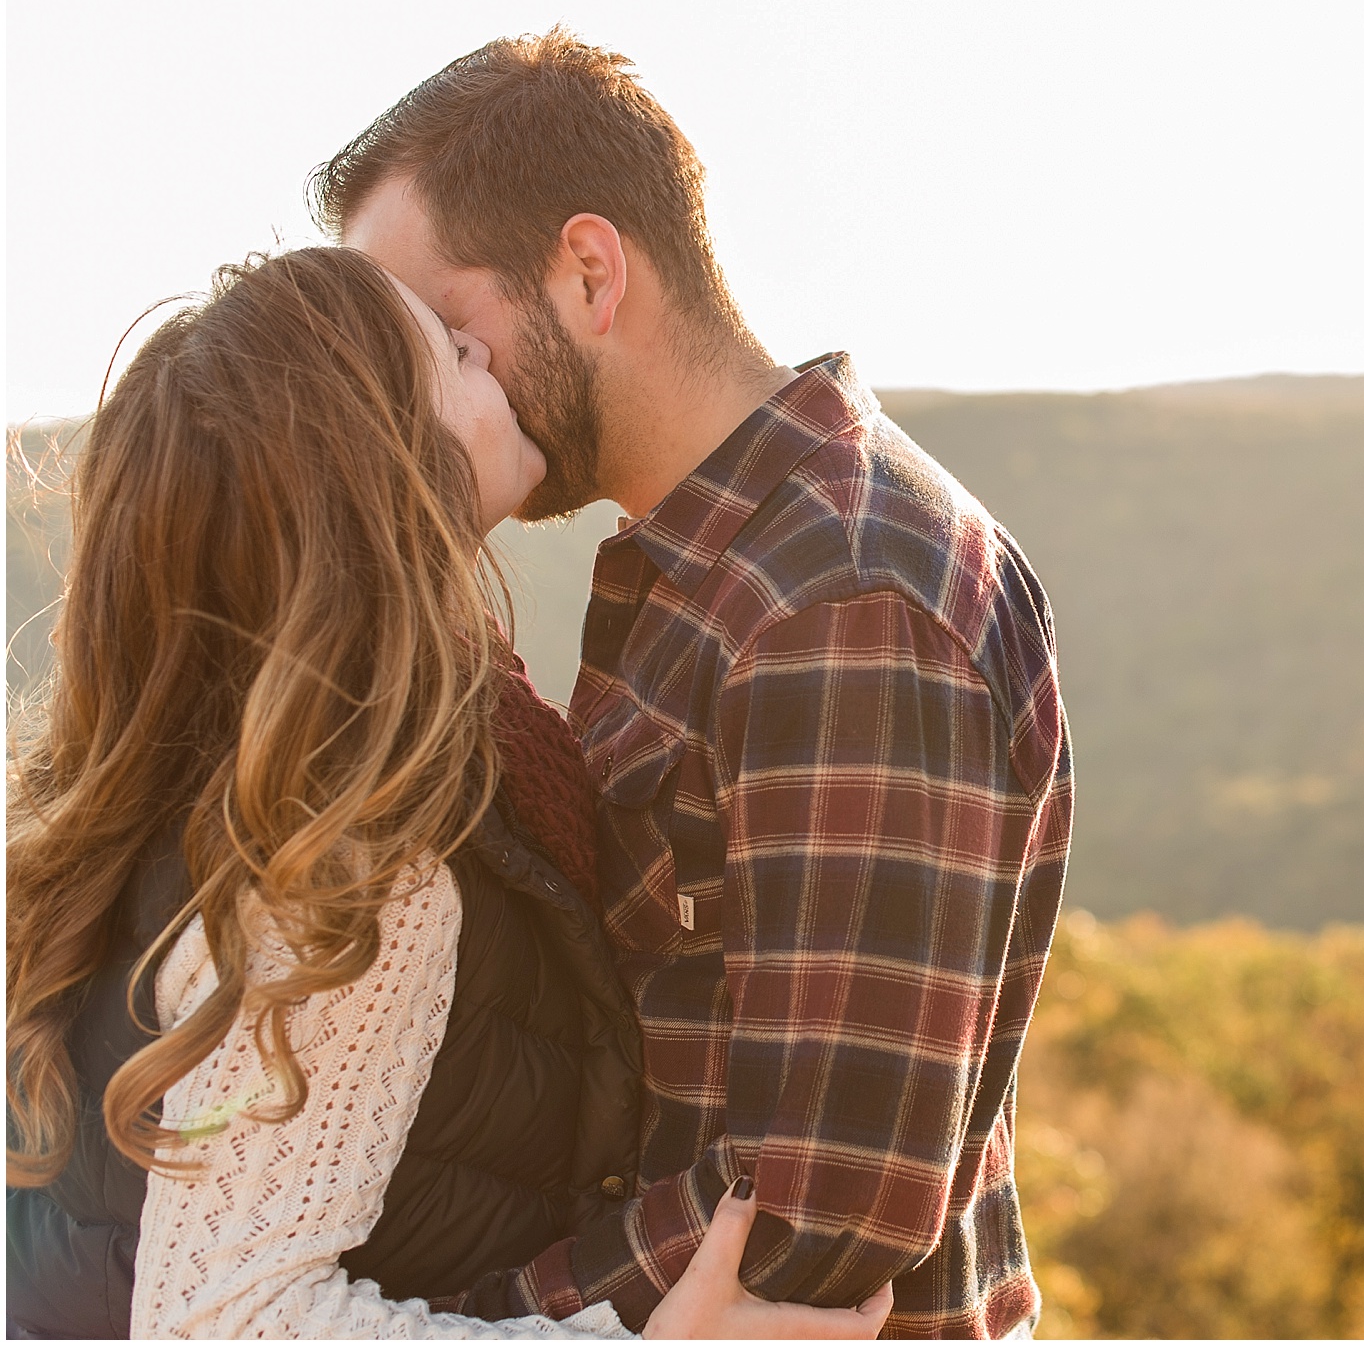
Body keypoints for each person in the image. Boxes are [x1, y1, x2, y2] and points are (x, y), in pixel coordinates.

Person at [320, 29, 1074, 1338]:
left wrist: (461, 1327)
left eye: (445, 335)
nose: (420, 401)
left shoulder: (836, 598)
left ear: (591, 271)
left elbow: (808, 1212)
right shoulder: (705, 564)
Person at [4, 245, 892, 1341]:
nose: (482, 347)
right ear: (383, 465)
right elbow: (225, 1320)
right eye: (447, 353)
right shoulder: (349, 858)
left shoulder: (220, 777)